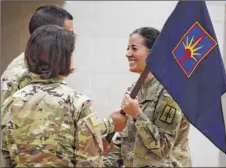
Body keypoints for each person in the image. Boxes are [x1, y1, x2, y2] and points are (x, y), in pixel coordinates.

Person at [1, 25, 127, 167]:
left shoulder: (11, 102)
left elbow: (6, 153)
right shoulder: (79, 103)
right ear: (63, 57)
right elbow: (88, 163)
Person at [103, 27, 192, 167]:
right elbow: (125, 141)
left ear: (153, 53)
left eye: (134, 48)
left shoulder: (170, 91)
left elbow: (163, 147)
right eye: (128, 48)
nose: (127, 54)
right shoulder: (133, 90)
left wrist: (137, 115)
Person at [1, 5, 73, 105]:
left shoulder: (46, 65)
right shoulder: (21, 72)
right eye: (67, 34)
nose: (70, 39)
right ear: (48, 34)